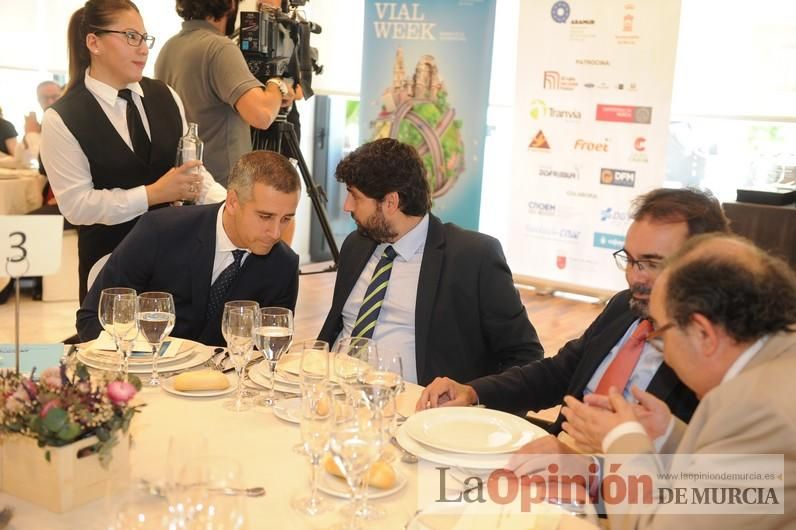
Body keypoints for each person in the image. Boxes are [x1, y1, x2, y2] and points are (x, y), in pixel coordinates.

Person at [417, 188, 731, 437]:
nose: (635, 277)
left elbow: (710, 481)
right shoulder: (625, 306)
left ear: (700, 262)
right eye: (631, 260)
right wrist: (472, 390)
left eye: (651, 263)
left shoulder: (716, 354)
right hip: (559, 463)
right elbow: (559, 373)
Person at [560, 234, 796, 529]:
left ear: (703, 333)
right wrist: (666, 436)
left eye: (660, 333)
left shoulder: (759, 410)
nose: (665, 355)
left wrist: (621, 439)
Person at [317, 138, 544, 385]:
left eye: (355, 196)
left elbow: (525, 356)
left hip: (414, 411)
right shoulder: (356, 244)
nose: (347, 206)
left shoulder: (473, 257)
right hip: (335, 393)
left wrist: (474, 403)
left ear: (391, 203)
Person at [41, 0, 226, 302]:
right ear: (94, 42)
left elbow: (190, 172)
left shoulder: (165, 95)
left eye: (145, 38)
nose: (143, 48)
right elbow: (77, 205)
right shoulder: (63, 118)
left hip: (177, 261)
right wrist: (152, 194)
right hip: (110, 268)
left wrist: (231, 204)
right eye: (131, 36)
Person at [77, 150, 300, 346]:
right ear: (232, 202)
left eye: (286, 218)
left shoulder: (283, 265)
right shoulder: (160, 231)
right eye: (265, 216)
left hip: (221, 386)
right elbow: (92, 318)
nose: (276, 233)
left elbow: (265, 352)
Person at [154, 0, 293, 187]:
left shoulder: (169, 48)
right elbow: (262, 115)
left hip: (188, 184)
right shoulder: (219, 48)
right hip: (224, 188)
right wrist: (277, 84)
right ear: (230, 5)